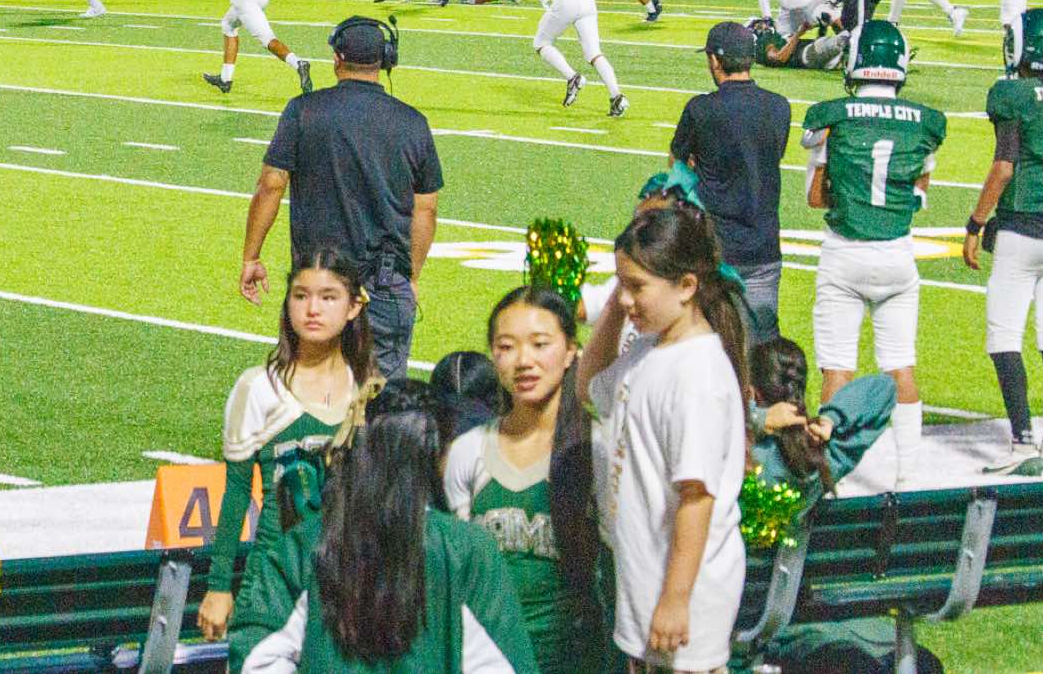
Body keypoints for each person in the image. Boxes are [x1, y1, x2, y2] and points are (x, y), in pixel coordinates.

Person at [228, 379, 540, 672]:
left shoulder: (305, 543)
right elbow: (503, 665)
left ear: (362, 451)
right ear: (439, 455)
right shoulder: (467, 549)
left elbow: (255, 656)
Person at [579, 195, 749, 674]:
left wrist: (676, 599)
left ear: (687, 286)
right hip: (643, 580)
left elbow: (697, 496)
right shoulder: (650, 350)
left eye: (637, 287)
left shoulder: (697, 376)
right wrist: (616, 308)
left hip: (685, 594)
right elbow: (589, 387)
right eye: (621, 284)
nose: (626, 298)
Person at [242, 16, 441, 381]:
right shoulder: (413, 123)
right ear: (386, 60)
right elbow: (425, 209)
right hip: (385, 282)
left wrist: (251, 256)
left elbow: (271, 184)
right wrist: (410, 277)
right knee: (382, 401)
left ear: (337, 59)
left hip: (318, 283)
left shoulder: (303, 111)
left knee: (311, 392)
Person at [196, 250, 370, 642]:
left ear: (354, 307)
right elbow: (236, 491)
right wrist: (219, 586)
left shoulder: (367, 389)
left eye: (328, 297)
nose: (312, 309)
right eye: (300, 295)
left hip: (348, 586)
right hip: (272, 581)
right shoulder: (259, 387)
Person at [800, 18, 943, 488]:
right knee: (900, 363)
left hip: (845, 254)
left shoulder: (832, 117)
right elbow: (918, 192)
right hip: (897, 255)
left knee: (838, 366)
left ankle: (832, 478)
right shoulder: (926, 124)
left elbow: (816, 198)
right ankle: (908, 474)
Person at [443, 287, 604, 674]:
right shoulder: (468, 451)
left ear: (571, 351)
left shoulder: (597, 450)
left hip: (575, 659)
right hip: (486, 660)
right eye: (507, 346)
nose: (524, 361)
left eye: (540, 344)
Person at [743, 338, 910, 674]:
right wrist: (831, 419)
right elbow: (883, 388)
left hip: (733, 608)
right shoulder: (819, 459)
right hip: (789, 606)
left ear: (751, 392)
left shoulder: (732, 455)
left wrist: (756, 420)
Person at [966, 6, 1043, 476]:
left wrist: (975, 223)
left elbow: (1004, 166)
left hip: (1024, 230)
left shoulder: (1011, 93)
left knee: (1004, 335)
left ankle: (1021, 444)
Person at [670, 21, 794, 339]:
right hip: (764, 246)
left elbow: (677, 169)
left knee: (708, 345)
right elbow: (772, 155)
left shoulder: (701, 109)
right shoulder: (779, 107)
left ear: (715, 60)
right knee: (761, 347)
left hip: (716, 249)